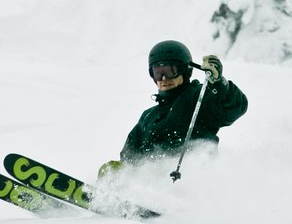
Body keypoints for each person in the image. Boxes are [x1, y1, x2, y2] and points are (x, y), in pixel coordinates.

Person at [101, 40, 248, 173]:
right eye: (158, 73)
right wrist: (122, 172)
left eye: (170, 71)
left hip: (192, 181)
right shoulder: (148, 116)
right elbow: (130, 155)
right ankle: (105, 196)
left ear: (186, 71)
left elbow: (234, 107)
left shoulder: (198, 97)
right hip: (151, 187)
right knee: (110, 170)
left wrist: (218, 84)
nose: (164, 79)